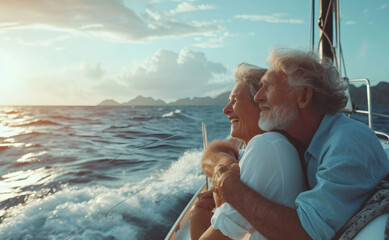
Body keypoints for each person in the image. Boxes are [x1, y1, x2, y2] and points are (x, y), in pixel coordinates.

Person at [204, 49, 389, 240]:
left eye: (268, 87)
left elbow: (304, 234)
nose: (258, 97)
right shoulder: (305, 139)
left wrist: (228, 185)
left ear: (303, 97)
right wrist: (223, 165)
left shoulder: (347, 142)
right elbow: (221, 147)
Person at [190, 62, 306, 240]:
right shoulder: (262, 145)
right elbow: (215, 150)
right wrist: (226, 169)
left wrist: (202, 212)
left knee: (197, 214)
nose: (226, 110)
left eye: (234, 101)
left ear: (262, 105)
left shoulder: (265, 145)